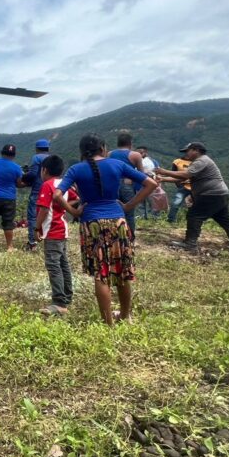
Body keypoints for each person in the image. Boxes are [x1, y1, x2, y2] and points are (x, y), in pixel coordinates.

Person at [53, 135, 156, 325]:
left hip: (91, 223)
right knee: (123, 270)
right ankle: (125, 316)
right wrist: (128, 206)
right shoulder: (117, 164)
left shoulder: (76, 169)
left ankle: (107, 322)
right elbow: (151, 184)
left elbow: (57, 195)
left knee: (102, 274)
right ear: (102, 148)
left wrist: (74, 211)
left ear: (82, 151)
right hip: (118, 220)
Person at [154, 142, 229, 252]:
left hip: (211, 194)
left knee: (194, 215)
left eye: (188, 151)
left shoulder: (202, 161)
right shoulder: (199, 162)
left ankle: (190, 244)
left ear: (196, 150)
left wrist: (164, 171)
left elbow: (186, 175)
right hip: (219, 194)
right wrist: (163, 179)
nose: (186, 154)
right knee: (224, 218)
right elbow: (182, 179)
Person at [34, 156, 78, 316]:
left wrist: (37, 227)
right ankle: (67, 295)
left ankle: (59, 302)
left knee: (53, 265)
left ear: (44, 170)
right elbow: (76, 199)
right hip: (62, 229)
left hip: (53, 231)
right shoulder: (63, 184)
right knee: (63, 264)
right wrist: (62, 205)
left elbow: (44, 210)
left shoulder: (47, 185)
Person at [0, 143, 27, 252]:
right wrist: (26, 182)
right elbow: (19, 184)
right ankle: (9, 247)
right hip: (9, 198)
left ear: (2, 152)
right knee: (8, 223)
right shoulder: (17, 168)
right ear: (13, 155)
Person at [107, 134, 146, 239]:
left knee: (113, 212)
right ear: (130, 143)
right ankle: (130, 239)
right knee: (129, 214)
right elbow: (141, 174)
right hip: (127, 185)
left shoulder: (109, 154)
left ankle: (114, 237)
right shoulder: (135, 155)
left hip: (112, 185)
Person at [22, 139, 51, 250]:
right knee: (48, 215)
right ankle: (48, 239)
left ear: (37, 148)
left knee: (33, 216)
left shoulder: (37, 157)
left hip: (38, 191)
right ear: (48, 148)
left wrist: (24, 176)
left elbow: (33, 174)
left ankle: (32, 242)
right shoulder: (51, 158)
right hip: (50, 189)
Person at [166, 154, 193, 223]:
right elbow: (173, 174)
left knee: (195, 205)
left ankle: (193, 221)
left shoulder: (196, 162)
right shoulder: (177, 161)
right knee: (176, 203)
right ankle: (171, 220)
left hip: (196, 187)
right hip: (183, 187)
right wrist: (179, 185)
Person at [135, 146, 161, 219]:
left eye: (141, 152)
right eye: (137, 152)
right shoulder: (135, 161)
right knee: (140, 204)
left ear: (145, 152)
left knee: (152, 203)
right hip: (138, 186)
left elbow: (158, 173)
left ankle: (154, 218)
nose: (139, 154)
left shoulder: (153, 162)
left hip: (151, 186)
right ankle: (142, 217)